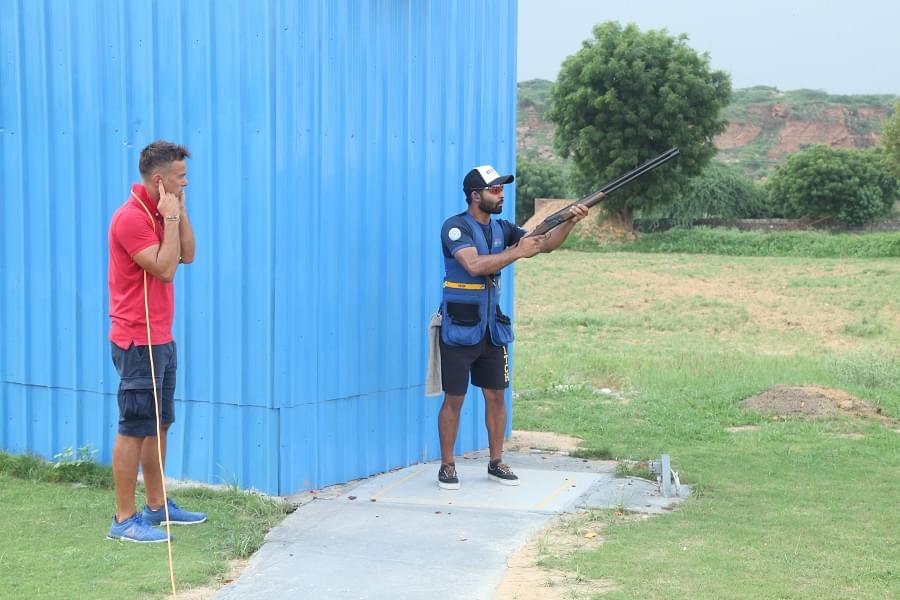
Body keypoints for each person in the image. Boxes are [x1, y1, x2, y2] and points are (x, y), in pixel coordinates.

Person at [437, 164, 589, 489]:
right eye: (495, 189)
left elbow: (543, 244)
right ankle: (447, 465)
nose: (501, 193)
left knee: (496, 395)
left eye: (502, 188)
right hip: (460, 327)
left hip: (493, 328)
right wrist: (516, 252)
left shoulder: (503, 228)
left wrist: (570, 222)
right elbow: (474, 265)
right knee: (455, 398)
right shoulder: (455, 228)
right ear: (475, 195)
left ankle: (496, 461)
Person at [106, 140, 206, 542]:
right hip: (136, 341)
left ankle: (156, 505)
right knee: (135, 427)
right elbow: (166, 270)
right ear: (161, 179)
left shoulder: (164, 210)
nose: (186, 184)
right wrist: (167, 220)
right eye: (181, 179)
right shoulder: (130, 219)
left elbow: (189, 255)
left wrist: (176, 213)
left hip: (161, 337)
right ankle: (123, 520)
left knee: (159, 424)